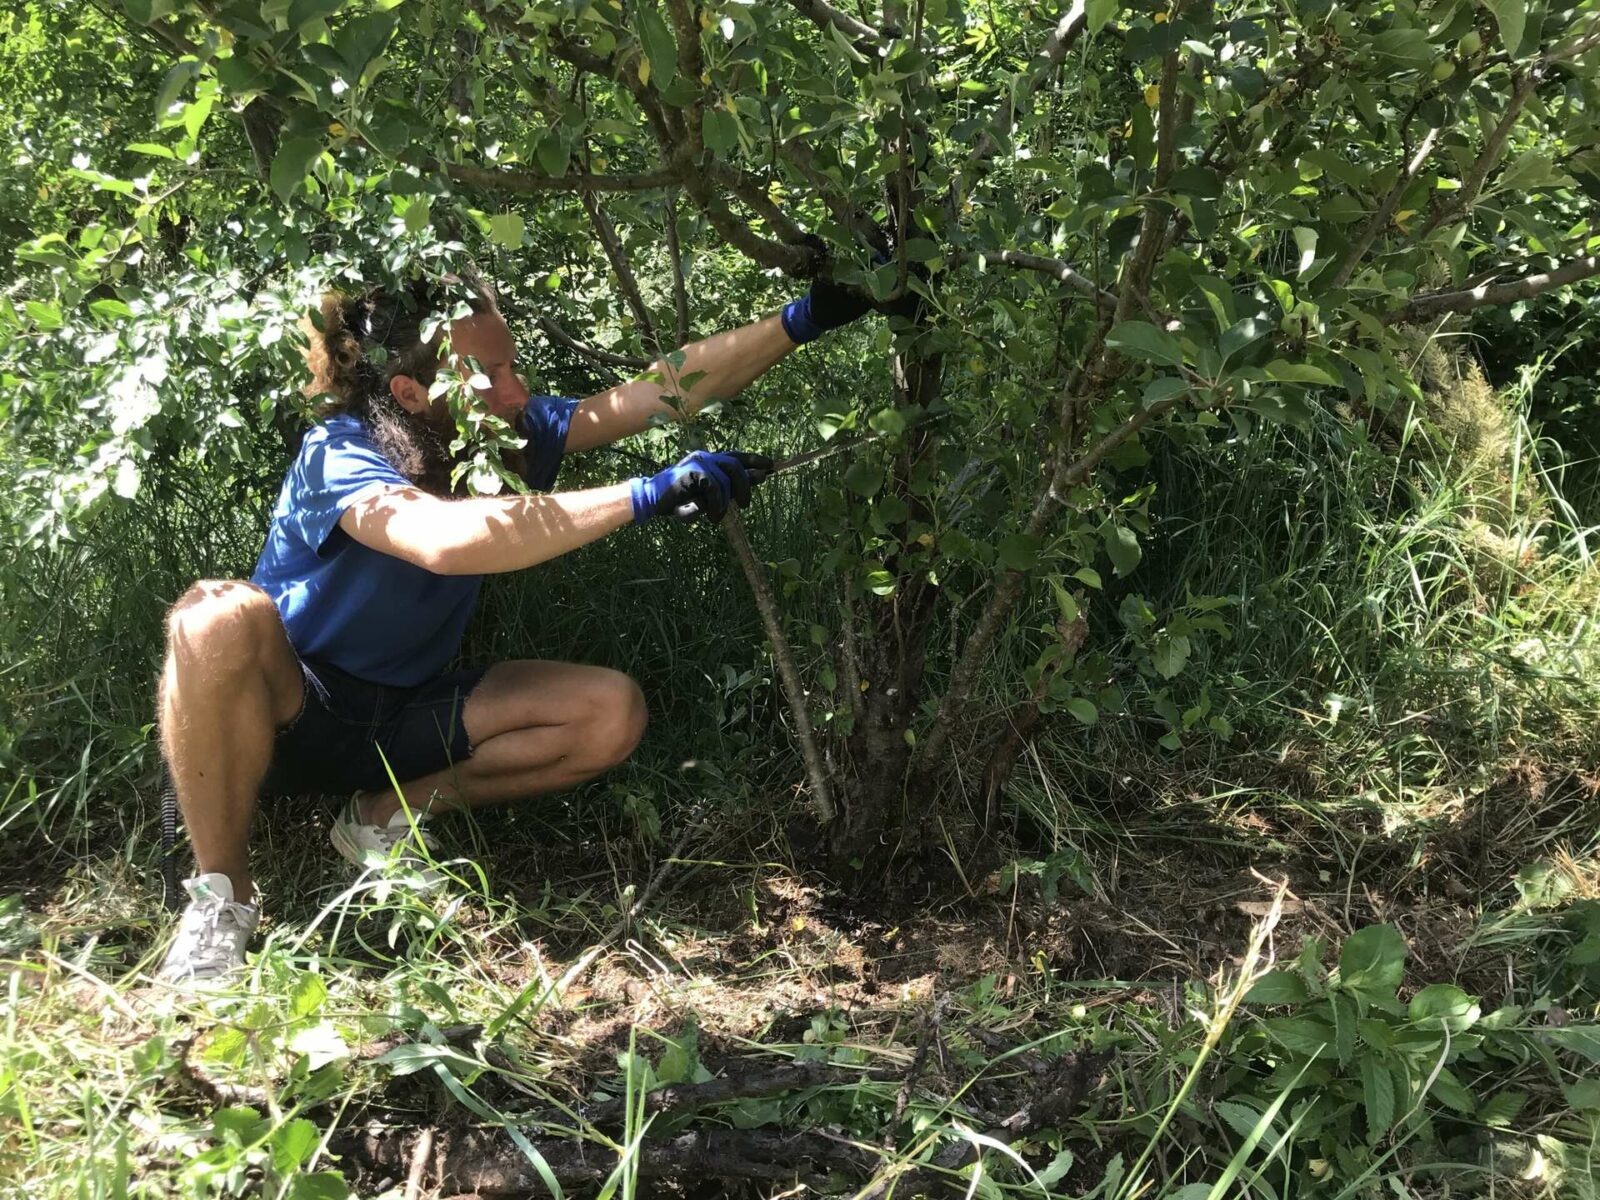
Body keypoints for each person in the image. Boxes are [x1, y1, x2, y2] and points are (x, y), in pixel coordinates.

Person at [154, 266, 871, 986]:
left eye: (513, 363)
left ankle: (377, 818)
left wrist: (804, 317)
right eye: (490, 373)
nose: (516, 391)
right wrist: (645, 494)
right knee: (214, 615)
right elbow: (442, 540)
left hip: (403, 715)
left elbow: (658, 392)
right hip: (287, 716)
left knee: (607, 711)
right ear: (411, 394)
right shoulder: (339, 451)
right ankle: (222, 898)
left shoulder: (505, 434)